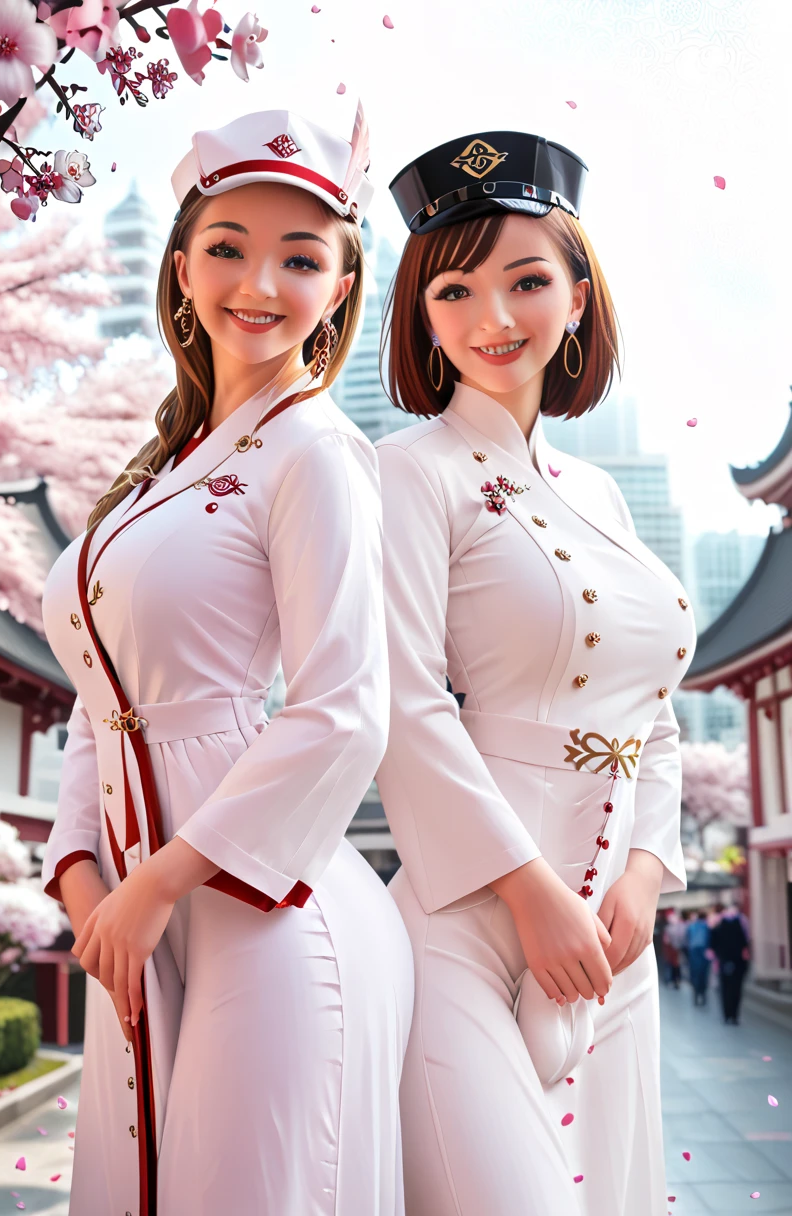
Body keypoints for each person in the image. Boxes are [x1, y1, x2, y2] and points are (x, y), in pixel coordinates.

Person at [39, 105, 414, 1215]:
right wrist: (80, 876)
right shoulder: (153, 473)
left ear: (339, 288)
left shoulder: (320, 453)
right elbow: (100, 700)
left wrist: (156, 880)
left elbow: (344, 708)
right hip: (132, 918)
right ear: (183, 267)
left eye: (300, 258)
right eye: (227, 247)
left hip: (264, 913)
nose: (260, 282)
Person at [374, 128, 697, 1216]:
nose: (492, 320)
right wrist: (528, 893)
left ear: (576, 295)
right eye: (454, 291)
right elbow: (405, 703)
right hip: (470, 919)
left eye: (525, 280)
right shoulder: (407, 473)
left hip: (613, 943)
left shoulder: (602, 497)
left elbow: (651, 719)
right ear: (421, 314)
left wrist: (645, 877)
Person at [710, 904, 750, 1024]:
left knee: (727, 989)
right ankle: (733, 1015)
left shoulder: (720, 925)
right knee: (735, 989)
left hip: (727, 962)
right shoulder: (739, 924)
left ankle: (728, 1014)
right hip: (735, 962)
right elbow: (745, 943)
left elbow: (713, 944)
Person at [685, 910, 711, 1004]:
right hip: (703, 953)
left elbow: (687, 939)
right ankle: (702, 994)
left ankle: (696, 994)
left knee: (695, 974)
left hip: (694, 953)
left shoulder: (691, 926)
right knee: (703, 975)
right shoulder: (706, 926)